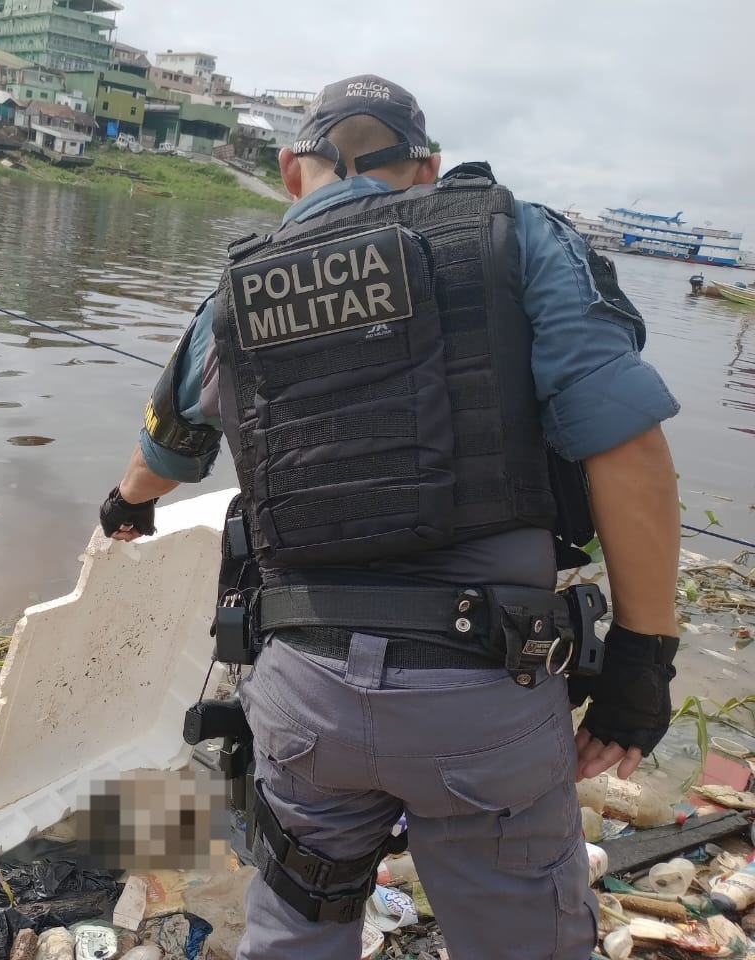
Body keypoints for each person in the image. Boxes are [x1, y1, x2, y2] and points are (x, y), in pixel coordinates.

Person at [97, 75, 681, 960]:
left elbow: (162, 459)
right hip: (485, 693)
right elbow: (626, 448)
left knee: (297, 921)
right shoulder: (515, 236)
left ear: (293, 169)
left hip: (303, 697)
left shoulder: (238, 289)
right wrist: (642, 660)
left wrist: (124, 509)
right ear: (428, 168)